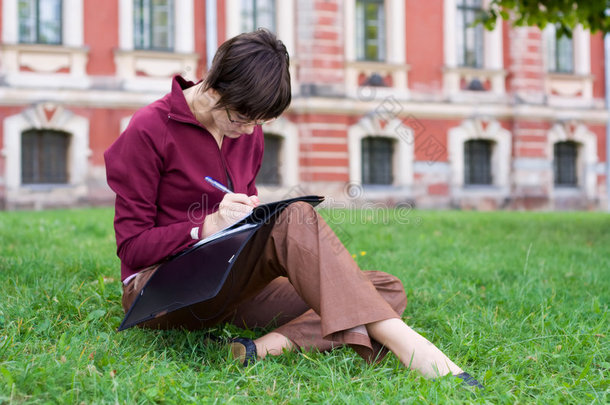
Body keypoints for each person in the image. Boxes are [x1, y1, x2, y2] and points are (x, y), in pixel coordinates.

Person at [104, 29, 483, 388]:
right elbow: (133, 249)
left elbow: (244, 213)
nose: (250, 131)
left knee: (383, 287)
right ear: (216, 85)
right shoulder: (148, 129)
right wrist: (205, 226)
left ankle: (257, 349)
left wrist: (247, 223)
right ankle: (416, 351)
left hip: (226, 282)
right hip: (158, 295)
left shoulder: (247, 133)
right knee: (299, 222)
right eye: (242, 118)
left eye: (259, 122)